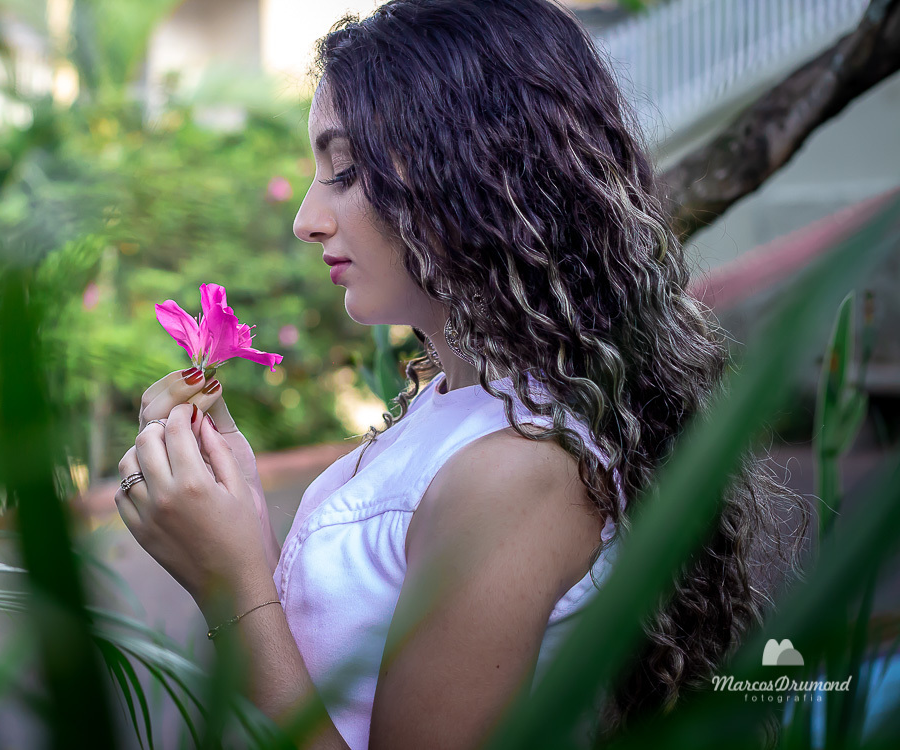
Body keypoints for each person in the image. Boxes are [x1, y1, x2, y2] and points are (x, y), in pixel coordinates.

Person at [113, 1, 809, 747]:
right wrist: (237, 504)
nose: (307, 218)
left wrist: (230, 583)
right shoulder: (461, 405)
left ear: (477, 171)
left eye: (344, 171)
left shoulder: (522, 471)